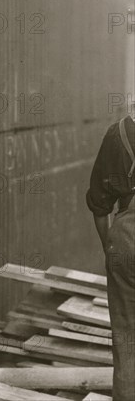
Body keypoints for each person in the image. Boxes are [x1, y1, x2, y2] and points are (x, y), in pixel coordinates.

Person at [86, 113, 135, 401]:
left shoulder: (119, 132)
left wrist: (111, 249)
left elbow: (99, 204)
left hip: (127, 239)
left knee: (127, 340)